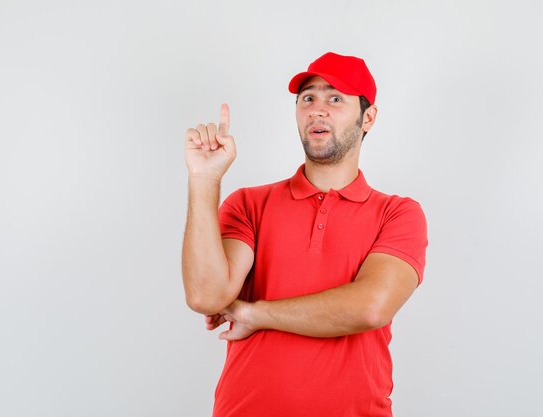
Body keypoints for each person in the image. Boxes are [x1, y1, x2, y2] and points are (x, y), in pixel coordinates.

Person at [182, 52, 428, 417]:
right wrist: (205, 180)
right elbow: (206, 295)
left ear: (368, 118)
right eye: (307, 98)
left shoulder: (398, 214)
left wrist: (256, 314)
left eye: (335, 98)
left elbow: (369, 306)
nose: (317, 109)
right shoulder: (249, 203)